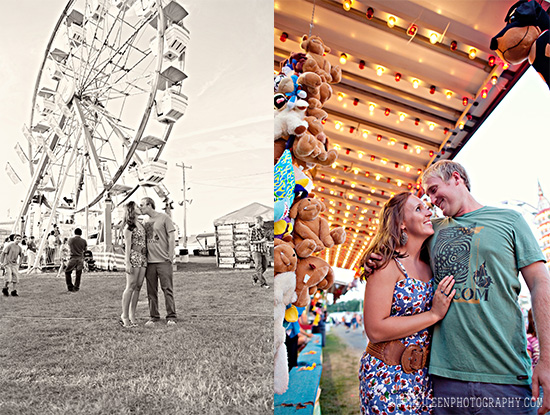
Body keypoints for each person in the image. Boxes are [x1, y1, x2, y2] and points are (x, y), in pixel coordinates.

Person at [364, 160, 550, 415]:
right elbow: (401, 251)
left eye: (432, 189)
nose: (430, 200)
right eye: (425, 196)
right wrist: (376, 258)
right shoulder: (431, 231)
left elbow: (541, 284)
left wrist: (547, 360)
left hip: (505, 377)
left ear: (456, 178)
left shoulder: (510, 220)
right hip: (443, 381)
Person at [358, 192, 455, 414]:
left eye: (427, 207)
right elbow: (375, 329)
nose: (428, 211)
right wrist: (433, 315)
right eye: (418, 209)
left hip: (424, 377)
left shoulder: (430, 265)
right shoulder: (385, 264)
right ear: (401, 223)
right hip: (388, 375)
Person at [139, 197, 177, 326]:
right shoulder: (145, 221)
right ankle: (154, 316)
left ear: (149, 205)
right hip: (149, 262)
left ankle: (171, 316)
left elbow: (172, 237)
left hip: (163, 261)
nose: (141, 207)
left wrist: (171, 255)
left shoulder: (164, 218)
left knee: (167, 289)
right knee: (151, 291)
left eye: (142, 205)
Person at [120, 201, 147, 328]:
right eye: (137, 206)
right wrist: (127, 262)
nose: (139, 208)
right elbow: (127, 246)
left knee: (138, 286)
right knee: (130, 286)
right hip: (134, 256)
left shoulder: (141, 224)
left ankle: (132, 314)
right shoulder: (128, 227)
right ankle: (124, 315)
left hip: (143, 257)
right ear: (131, 210)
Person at [250, 215, 269, 288]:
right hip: (256, 251)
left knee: (264, 266)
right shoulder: (252, 230)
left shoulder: (262, 230)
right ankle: (263, 284)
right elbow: (251, 241)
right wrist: (261, 241)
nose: (263, 223)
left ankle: (255, 276)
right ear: (259, 222)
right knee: (258, 267)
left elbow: (264, 240)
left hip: (263, 250)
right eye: (262, 221)